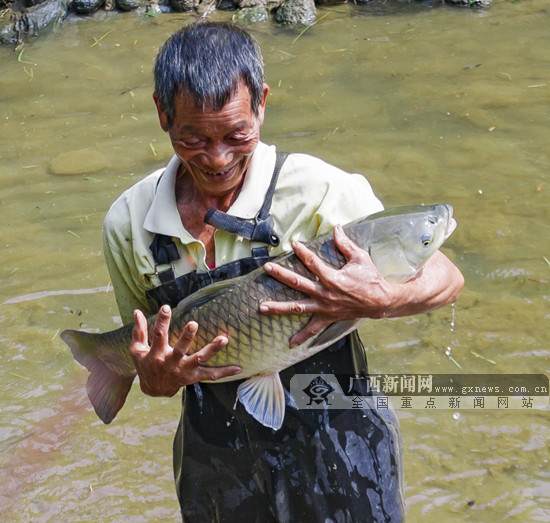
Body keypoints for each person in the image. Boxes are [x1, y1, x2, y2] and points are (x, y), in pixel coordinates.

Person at [103, 21, 463, 522]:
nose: (218, 158)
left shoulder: (319, 190)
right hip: (215, 459)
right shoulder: (128, 221)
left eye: (236, 134)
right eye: (194, 138)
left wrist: (380, 299)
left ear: (263, 103)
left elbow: (446, 277)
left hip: (342, 436)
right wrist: (153, 379)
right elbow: (147, 348)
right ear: (163, 115)